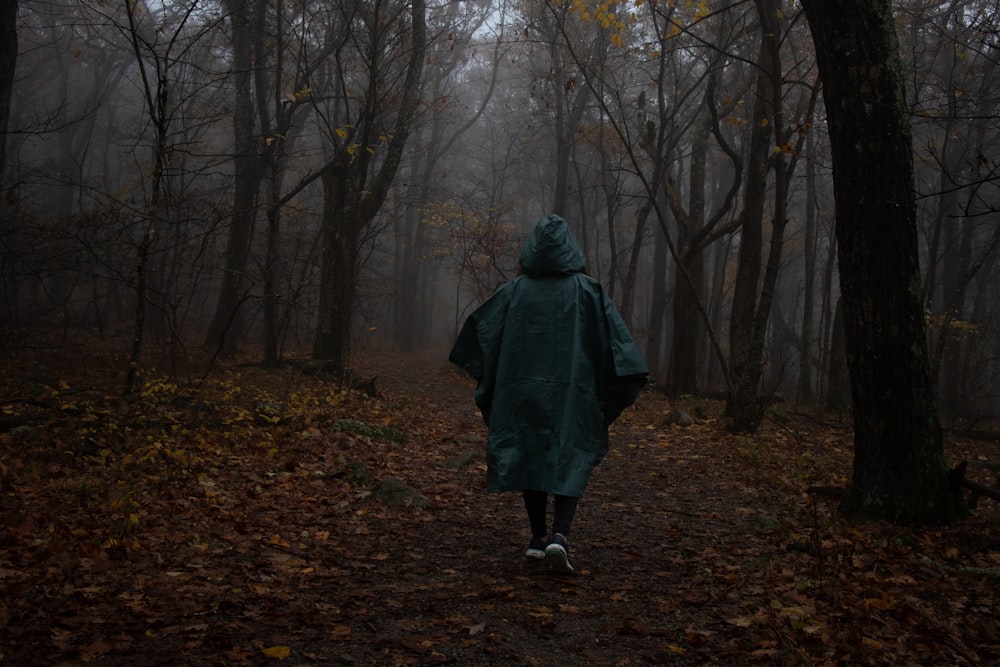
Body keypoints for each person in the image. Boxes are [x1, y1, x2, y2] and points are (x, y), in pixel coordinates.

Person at [449, 213, 648, 574]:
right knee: (571, 453)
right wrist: (609, 386)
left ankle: (538, 538)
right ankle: (561, 535)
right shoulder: (589, 291)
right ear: (571, 249)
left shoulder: (514, 291)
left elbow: (478, 334)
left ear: (531, 251)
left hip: (523, 392)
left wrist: (490, 375)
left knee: (531, 453)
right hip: (576, 393)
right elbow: (619, 348)